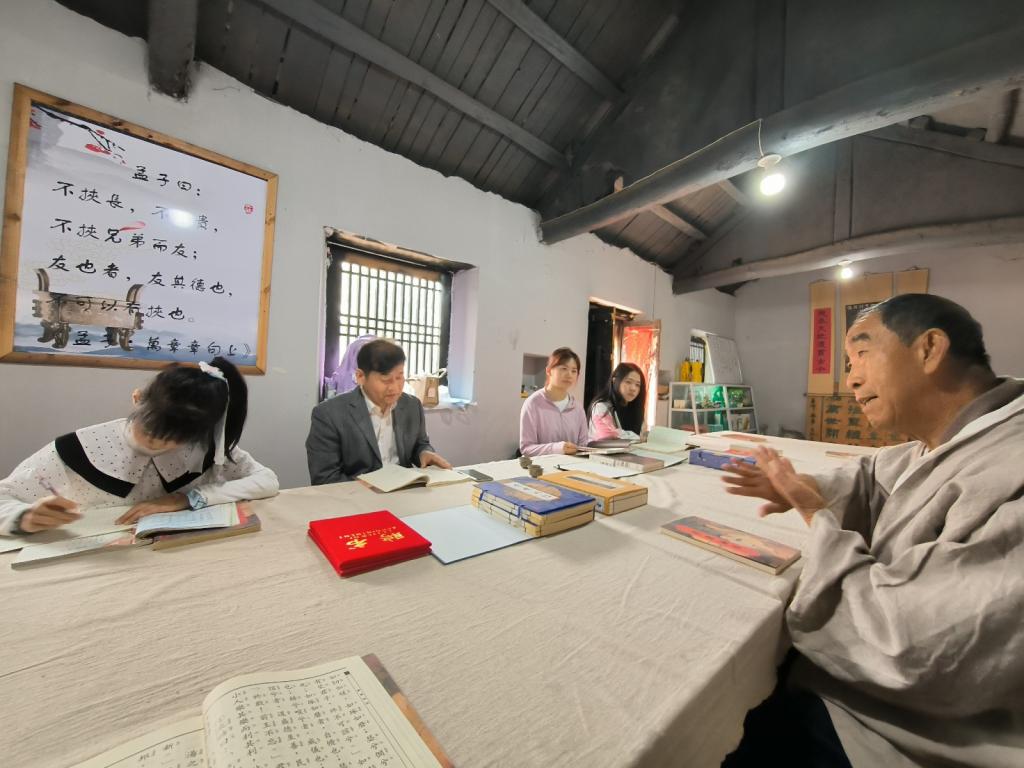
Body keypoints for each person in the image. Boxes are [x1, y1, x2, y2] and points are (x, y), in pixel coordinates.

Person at [721, 294, 1024, 767]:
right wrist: (810, 487)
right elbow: (873, 479)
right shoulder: (951, 436)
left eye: (862, 353)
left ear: (929, 349)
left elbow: (913, 645)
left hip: (906, 732)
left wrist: (816, 514)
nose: (851, 379)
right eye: (847, 363)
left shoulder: (1012, 460)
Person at [0, 357, 279, 535]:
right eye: (152, 428)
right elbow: (4, 498)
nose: (161, 442)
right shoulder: (77, 449)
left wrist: (190, 498)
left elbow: (266, 480)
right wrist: (24, 516)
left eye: (178, 437)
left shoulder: (205, 447)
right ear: (137, 399)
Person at [306, 339, 451, 484]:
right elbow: (324, 478)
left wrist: (424, 453)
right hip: (356, 494)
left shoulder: (412, 406)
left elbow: (420, 443)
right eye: (385, 380)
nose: (394, 387)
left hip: (404, 490)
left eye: (399, 377)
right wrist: (373, 487)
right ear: (360, 377)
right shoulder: (329, 414)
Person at [519, 347, 588, 456]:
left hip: (572, 465)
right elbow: (526, 448)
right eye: (564, 368)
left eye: (574, 371)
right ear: (549, 371)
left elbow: (583, 445)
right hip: (542, 466)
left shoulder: (577, 408)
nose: (569, 374)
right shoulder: (533, 404)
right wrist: (558, 448)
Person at [587, 362, 646, 442]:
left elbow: (643, 437)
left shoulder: (636, 411)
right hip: (601, 450)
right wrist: (637, 438)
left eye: (637, 385)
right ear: (614, 381)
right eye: (628, 382)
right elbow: (606, 434)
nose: (633, 388)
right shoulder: (601, 406)